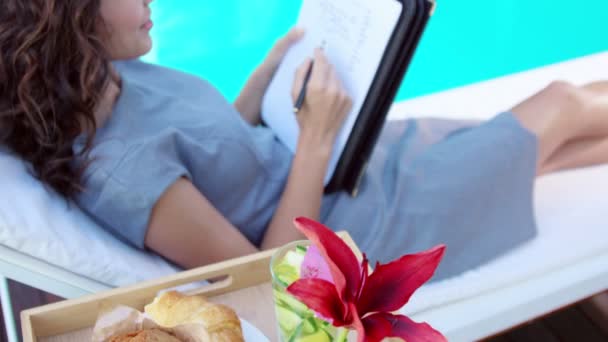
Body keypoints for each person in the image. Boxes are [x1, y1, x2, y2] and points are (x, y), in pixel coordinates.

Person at [1, 0, 607, 280]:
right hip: (362, 225)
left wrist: (260, 84)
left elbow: (201, 151)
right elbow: (277, 275)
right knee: (559, 103)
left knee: (547, 146)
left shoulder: (105, 78)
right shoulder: (122, 174)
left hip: (339, 168)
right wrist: (315, 137)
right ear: (71, 18)